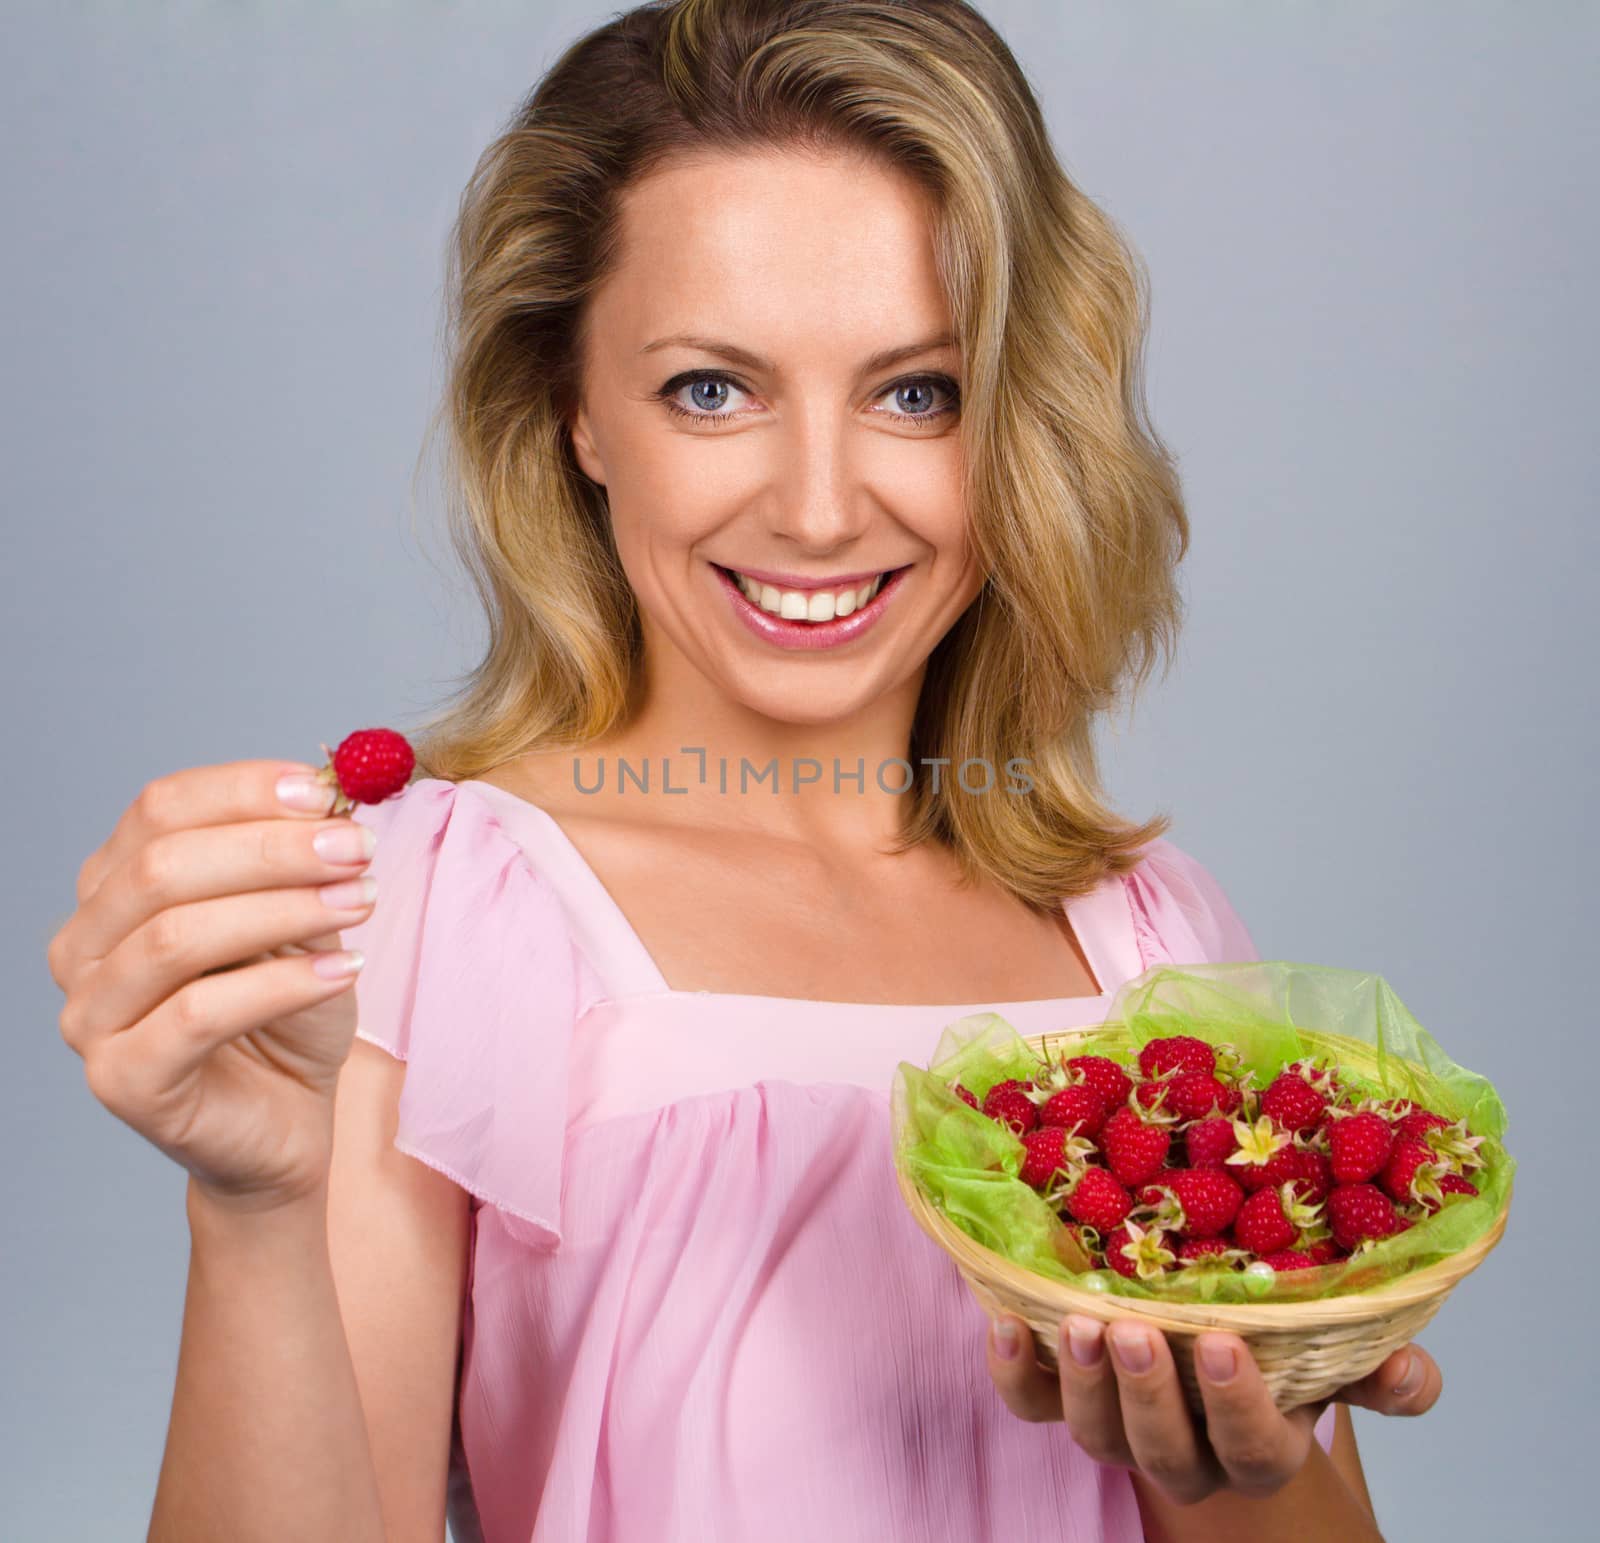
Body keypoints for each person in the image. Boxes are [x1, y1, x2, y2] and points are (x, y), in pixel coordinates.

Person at [47, 2, 1441, 1539]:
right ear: (574, 409)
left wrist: (1236, 1462)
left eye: (919, 391)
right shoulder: (434, 918)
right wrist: (250, 1216)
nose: (824, 509)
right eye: (713, 388)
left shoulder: (1151, 936)